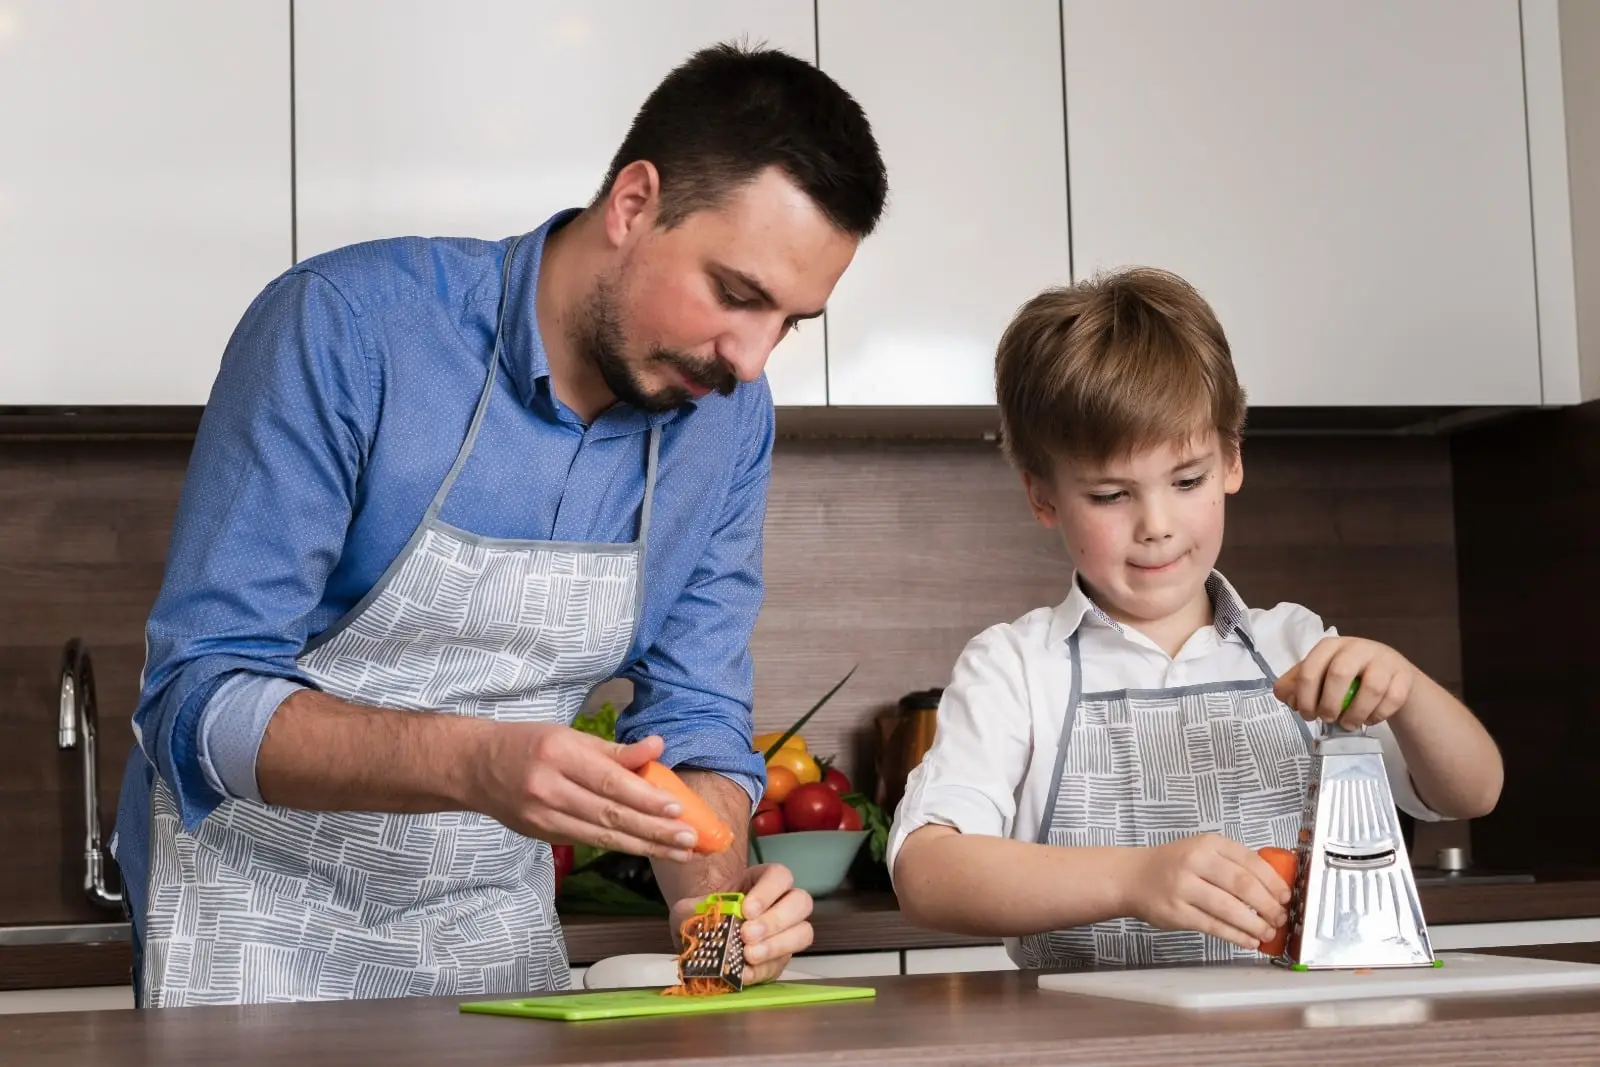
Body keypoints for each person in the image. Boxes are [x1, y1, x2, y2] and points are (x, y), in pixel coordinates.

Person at [111, 42, 888, 1007]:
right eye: (736, 295)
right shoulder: (347, 329)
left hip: (490, 939)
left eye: (791, 322)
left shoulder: (726, 418)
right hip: (252, 925)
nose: (752, 357)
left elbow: (695, 712)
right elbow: (197, 696)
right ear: (634, 203)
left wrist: (715, 910)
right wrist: (478, 761)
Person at [888, 268, 1502, 967]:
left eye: (1187, 480)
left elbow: (1472, 791)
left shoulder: (1295, 644)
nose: (1157, 524)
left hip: (1293, 1037)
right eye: (1112, 493)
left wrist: (1409, 689)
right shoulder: (1018, 668)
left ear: (1232, 458)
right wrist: (1132, 878)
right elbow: (925, 873)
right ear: (1043, 496)